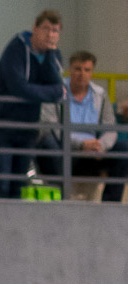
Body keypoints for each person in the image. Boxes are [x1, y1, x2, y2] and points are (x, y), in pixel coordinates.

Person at [0, 9, 64, 199]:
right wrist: (51, 92)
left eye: (55, 31)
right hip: (0, 125)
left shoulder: (54, 55)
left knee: (18, 185)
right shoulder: (17, 48)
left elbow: (57, 88)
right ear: (35, 27)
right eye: (46, 29)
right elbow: (18, 87)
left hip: (27, 128)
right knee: (1, 184)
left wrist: (50, 55)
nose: (50, 35)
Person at [39, 51, 128, 202]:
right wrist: (81, 144)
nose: (82, 74)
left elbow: (110, 127)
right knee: (47, 142)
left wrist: (101, 145)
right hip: (65, 148)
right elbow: (52, 127)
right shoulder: (56, 91)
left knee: (124, 149)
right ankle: (62, 197)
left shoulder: (100, 94)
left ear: (92, 72)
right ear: (70, 69)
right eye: (77, 69)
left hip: (93, 151)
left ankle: (111, 203)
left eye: (87, 70)